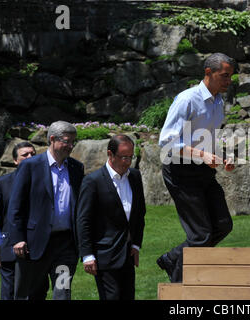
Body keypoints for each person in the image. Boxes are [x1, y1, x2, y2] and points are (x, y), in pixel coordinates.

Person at [157, 52, 236, 283]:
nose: (228, 81)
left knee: (223, 225)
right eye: (224, 75)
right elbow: (167, 141)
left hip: (203, 171)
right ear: (208, 73)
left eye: (230, 76)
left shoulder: (219, 101)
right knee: (200, 235)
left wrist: (223, 157)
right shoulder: (187, 100)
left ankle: (173, 258)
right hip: (180, 171)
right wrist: (202, 154)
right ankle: (180, 285)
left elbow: (207, 139)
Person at [6, 121, 84, 300]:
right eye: (67, 141)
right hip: (35, 245)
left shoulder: (76, 168)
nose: (71, 146)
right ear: (52, 139)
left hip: (65, 246)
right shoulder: (30, 166)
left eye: (73, 141)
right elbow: (16, 205)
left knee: (62, 293)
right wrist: (18, 239)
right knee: (33, 294)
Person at [76, 134, 146, 300]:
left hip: (128, 254)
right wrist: (87, 254)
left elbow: (139, 213)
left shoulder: (135, 177)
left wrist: (136, 244)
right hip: (105, 254)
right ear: (110, 154)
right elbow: (83, 220)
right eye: (123, 157)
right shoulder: (93, 181)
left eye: (130, 157)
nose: (127, 162)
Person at [0, 141, 36, 299]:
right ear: (15, 161)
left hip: (37, 249)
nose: (30, 157)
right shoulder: (2, 184)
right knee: (10, 293)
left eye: (33, 154)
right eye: (25, 155)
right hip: (9, 249)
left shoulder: (43, 182)